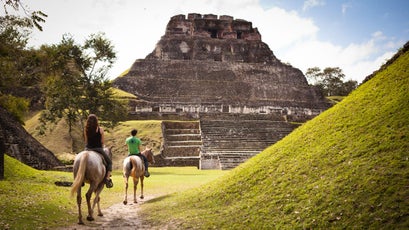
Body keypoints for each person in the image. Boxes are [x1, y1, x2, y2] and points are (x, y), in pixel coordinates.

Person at [84, 114, 113, 188]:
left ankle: (79, 177)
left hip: (88, 149)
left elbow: (86, 141)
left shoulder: (86, 129)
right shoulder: (100, 129)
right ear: (96, 121)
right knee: (109, 162)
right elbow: (102, 141)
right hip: (98, 149)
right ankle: (107, 179)